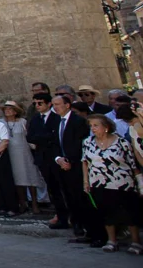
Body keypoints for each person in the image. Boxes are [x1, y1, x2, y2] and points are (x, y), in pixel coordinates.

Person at [82, 113, 139, 254]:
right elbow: (85, 162)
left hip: (122, 183)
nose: (93, 128)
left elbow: (132, 163)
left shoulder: (121, 142)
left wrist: (139, 181)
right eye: (91, 126)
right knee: (106, 212)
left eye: (96, 125)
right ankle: (112, 240)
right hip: (98, 182)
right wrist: (85, 181)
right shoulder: (87, 142)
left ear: (106, 127)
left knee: (129, 212)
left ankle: (136, 241)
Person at [53, 94, 97, 244]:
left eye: (58, 104)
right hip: (63, 165)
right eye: (54, 104)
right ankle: (79, 227)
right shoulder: (57, 122)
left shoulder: (78, 121)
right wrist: (59, 159)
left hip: (77, 166)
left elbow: (79, 143)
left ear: (67, 105)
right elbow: (55, 143)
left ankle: (92, 231)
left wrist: (70, 160)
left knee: (82, 199)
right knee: (71, 198)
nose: (55, 107)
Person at [27, 90, 67, 228]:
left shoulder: (56, 118)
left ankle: (69, 217)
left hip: (57, 158)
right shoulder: (35, 119)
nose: (37, 106)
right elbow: (30, 137)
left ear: (48, 104)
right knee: (53, 189)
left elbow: (56, 137)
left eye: (40, 103)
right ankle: (60, 216)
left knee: (63, 189)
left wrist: (42, 138)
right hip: (43, 158)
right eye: (35, 103)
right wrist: (45, 137)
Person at [3, 100, 42, 214]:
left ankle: (34, 203)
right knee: (17, 178)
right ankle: (22, 203)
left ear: (16, 111)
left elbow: (28, 136)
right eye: (6, 109)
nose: (8, 111)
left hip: (24, 152)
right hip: (10, 153)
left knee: (29, 176)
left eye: (10, 109)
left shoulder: (22, 122)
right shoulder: (2, 123)